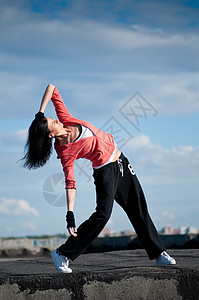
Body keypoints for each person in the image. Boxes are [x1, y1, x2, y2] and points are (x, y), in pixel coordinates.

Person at [22, 84, 176, 273]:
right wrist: (70, 215)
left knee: (139, 209)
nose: (53, 119)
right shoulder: (64, 151)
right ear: (51, 134)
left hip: (121, 161)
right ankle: (63, 254)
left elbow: (52, 89)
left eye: (50, 118)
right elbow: (70, 183)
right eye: (50, 122)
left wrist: (40, 112)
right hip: (105, 172)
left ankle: (159, 254)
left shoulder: (65, 118)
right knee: (102, 216)